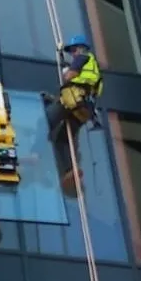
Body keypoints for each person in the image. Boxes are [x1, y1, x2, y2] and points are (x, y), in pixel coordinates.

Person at [43, 34, 103, 195]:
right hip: (84, 109)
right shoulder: (94, 67)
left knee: (45, 120)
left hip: (73, 100)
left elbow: (69, 76)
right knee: (63, 140)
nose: (73, 54)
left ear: (80, 48)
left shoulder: (82, 58)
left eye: (73, 50)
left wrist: (66, 71)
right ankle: (70, 169)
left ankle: (35, 152)